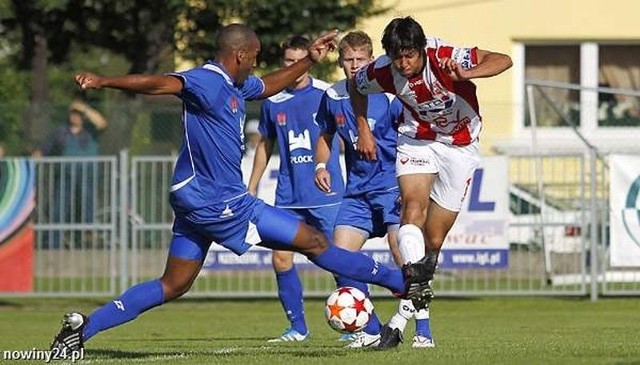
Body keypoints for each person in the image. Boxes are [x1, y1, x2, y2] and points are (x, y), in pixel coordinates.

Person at [50, 23, 433, 354]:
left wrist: (309, 60)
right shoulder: (206, 80)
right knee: (313, 241)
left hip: (193, 200)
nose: (256, 62)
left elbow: (268, 85)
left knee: (172, 284)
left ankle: (82, 329)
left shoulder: (236, 84)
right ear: (240, 54)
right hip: (219, 201)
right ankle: (404, 282)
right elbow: (160, 83)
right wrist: (104, 81)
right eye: (254, 56)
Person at [349, 16, 513, 348]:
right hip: (417, 140)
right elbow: (355, 84)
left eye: (409, 55)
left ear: (421, 49)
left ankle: (399, 322)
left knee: (433, 241)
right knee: (411, 209)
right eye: (397, 56)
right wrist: (363, 127)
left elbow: (503, 60)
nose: (403, 63)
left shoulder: (444, 56)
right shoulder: (383, 70)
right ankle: (411, 286)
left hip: (460, 146)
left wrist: (467, 74)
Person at [315, 30, 425, 348]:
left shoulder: (390, 95)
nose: (353, 65)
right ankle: (372, 329)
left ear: (372, 59)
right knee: (339, 258)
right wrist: (321, 166)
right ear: (339, 62)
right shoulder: (333, 96)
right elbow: (325, 135)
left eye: (360, 59)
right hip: (357, 193)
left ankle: (421, 329)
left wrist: (412, 183)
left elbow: (412, 139)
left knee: (403, 253)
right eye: (348, 59)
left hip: (392, 187)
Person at [247, 35, 344, 342]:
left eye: (297, 60)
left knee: (339, 259)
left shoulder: (326, 94)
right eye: (287, 61)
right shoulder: (272, 101)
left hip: (325, 194)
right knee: (280, 258)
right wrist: (252, 186)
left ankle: (364, 326)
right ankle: (297, 328)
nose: (292, 66)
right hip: (288, 196)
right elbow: (265, 145)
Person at [35, 99, 108, 248]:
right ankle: (53, 245)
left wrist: (85, 108)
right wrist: (28, 162)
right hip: (65, 176)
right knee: (59, 209)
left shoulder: (90, 130)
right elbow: (43, 150)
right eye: (73, 113)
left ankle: (88, 240)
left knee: (88, 207)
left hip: (87, 175)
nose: (75, 116)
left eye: (78, 114)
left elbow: (102, 124)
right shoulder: (62, 131)